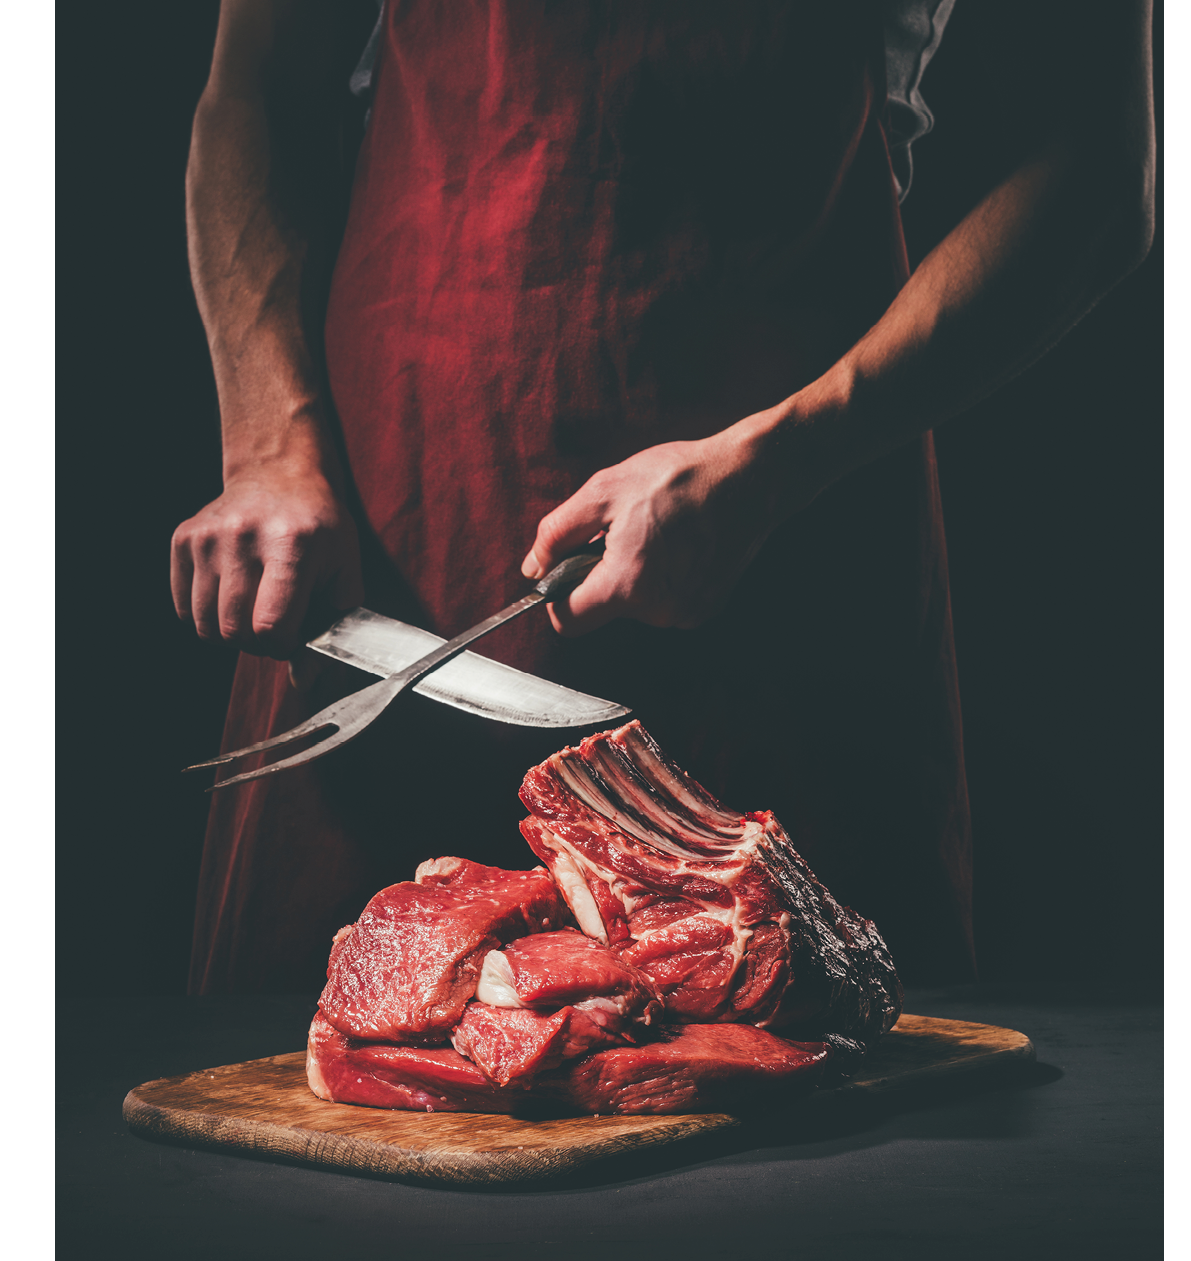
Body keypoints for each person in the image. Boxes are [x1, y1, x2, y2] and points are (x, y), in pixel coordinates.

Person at [172, 0, 1155, 996]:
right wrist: (267, 447)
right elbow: (258, 85)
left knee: (817, 1077)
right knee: (316, 1076)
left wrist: (781, 459)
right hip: (400, 503)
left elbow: (1098, 168)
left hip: (797, 531)